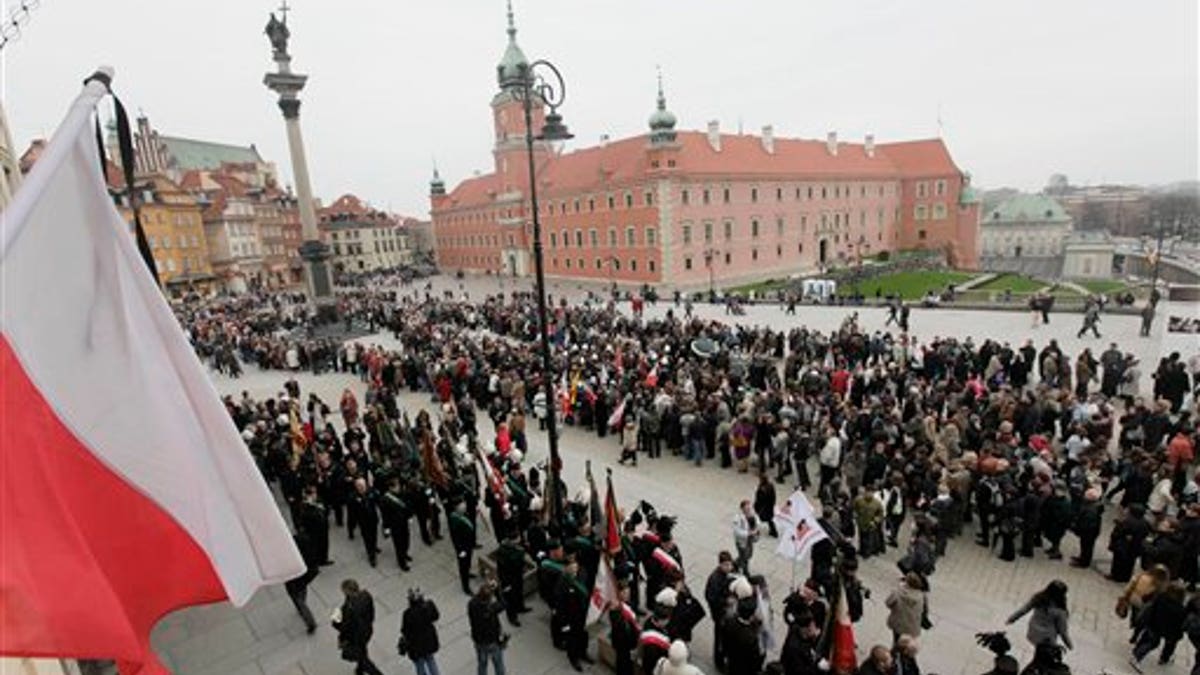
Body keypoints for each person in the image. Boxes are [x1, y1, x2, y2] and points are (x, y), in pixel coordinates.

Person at [1005, 580, 1072, 674]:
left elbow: (1024, 609)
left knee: (1039, 654)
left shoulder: (1039, 598)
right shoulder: (1060, 611)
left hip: (1033, 632)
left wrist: (1012, 618)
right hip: (1047, 638)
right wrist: (1069, 644)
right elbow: (1063, 631)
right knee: (1040, 659)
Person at [1129, 581, 1186, 671]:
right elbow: (1178, 624)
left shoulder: (1161, 597)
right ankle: (1138, 656)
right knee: (1155, 643)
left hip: (1152, 624)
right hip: (1165, 630)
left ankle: (1136, 651)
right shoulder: (1180, 609)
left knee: (1147, 639)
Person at [334, 579, 384, 675]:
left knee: (363, 658)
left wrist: (337, 625)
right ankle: (359, 670)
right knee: (362, 651)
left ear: (348, 591)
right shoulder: (366, 595)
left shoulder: (351, 607)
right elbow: (371, 613)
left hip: (356, 636)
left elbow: (346, 626)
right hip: (367, 630)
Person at [705, 551, 736, 671]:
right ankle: (719, 661)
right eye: (727, 565)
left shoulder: (727, 574)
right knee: (720, 639)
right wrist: (726, 601)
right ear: (720, 564)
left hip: (726, 612)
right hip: (719, 615)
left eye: (730, 564)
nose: (729, 567)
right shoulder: (715, 579)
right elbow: (711, 598)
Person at [468, 580, 507, 675]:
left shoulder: (472, 604)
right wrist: (497, 591)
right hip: (492, 641)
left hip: (479, 641)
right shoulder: (491, 609)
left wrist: (486, 589)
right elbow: (503, 604)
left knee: (482, 664)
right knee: (498, 664)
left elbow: (476, 598)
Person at [284, 531, 320, 634]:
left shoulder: (288, 552)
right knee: (302, 591)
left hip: (294, 578)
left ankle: (310, 622)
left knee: (298, 599)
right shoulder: (304, 541)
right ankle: (301, 604)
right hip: (306, 575)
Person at [399, 589, 441, 675]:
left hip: (416, 645)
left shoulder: (407, 614)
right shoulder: (428, 606)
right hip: (429, 641)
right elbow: (436, 616)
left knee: (419, 665)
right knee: (431, 660)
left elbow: (404, 630)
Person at [378, 477, 412, 571]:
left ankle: (405, 554)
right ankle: (402, 562)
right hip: (395, 525)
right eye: (397, 486)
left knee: (406, 540)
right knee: (399, 544)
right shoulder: (385, 499)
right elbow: (385, 515)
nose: (399, 488)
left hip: (404, 522)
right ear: (391, 488)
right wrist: (386, 528)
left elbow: (407, 505)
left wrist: (409, 516)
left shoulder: (402, 493)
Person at [347, 478, 381, 567]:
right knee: (367, 539)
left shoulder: (371, 492)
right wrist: (352, 525)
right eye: (359, 486)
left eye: (363, 485)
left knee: (374, 535)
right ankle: (371, 556)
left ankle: (374, 546)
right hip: (363, 522)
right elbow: (351, 513)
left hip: (373, 519)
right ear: (356, 486)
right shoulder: (353, 497)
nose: (361, 488)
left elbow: (378, 501)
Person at [885, 573, 927, 645]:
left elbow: (888, 603)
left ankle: (894, 652)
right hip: (913, 626)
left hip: (898, 623)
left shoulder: (897, 592)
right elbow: (924, 610)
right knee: (907, 643)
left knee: (896, 640)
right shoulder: (922, 596)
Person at [450, 501, 477, 595]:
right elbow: (455, 538)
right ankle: (465, 586)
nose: (465, 506)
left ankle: (468, 573)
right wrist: (460, 550)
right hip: (463, 548)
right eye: (462, 505)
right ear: (457, 508)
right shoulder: (454, 520)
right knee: (463, 566)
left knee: (468, 562)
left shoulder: (464, 514)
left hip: (468, 544)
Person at [733, 499, 761, 575]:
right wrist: (748, 533)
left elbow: (758, 521)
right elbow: (737, 532)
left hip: (750, 540)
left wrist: (756, 529)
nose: (748, 510)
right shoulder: (738, 518)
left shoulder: (753, 514)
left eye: (749, 508)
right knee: (744, 557)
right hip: (741, 541)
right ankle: (745, 571)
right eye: (747, 509)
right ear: (742, 509)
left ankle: (735, 563)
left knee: (749, 554)